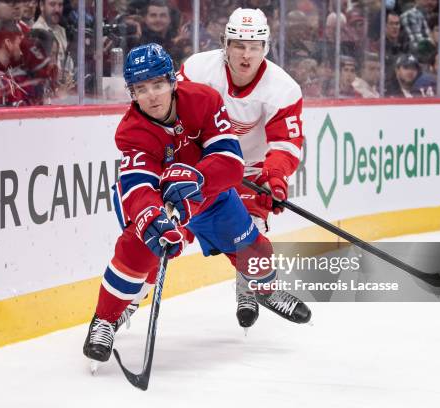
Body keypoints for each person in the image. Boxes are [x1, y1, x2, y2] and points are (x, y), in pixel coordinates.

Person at [83, 43, 310, 363]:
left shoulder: (204, 101)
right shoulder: (132, 131)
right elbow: (137, 186)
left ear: (173, 82)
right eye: (141, 89)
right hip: (163, 202)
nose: (152, 96)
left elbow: (231, 163)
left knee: (254, 248)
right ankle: (106, 319)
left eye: (158, 84)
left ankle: (265, 290)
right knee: (137, 250)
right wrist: (152, 217)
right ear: (132, 94)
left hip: (210, 196)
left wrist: (197, 178)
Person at [178, 8, 310, 329]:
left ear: (266, 47)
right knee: (164, 231)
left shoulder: (283, 88)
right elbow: (177, 120)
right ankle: (121, 306)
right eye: (238, 45)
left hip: (249, 168)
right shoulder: (198, 69)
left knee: (250, 228)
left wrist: (275, 178)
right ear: (225, 44)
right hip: (202, 164)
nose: (246, 54)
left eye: (254, 46)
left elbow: (284, 144)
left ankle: (251, 289)